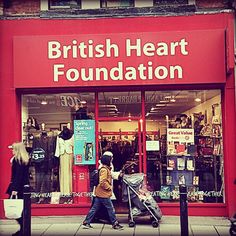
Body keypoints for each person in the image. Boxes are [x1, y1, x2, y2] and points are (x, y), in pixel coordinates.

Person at [82, 154, 123, 230]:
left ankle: (86, 222)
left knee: (94, 208)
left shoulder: (105, 169)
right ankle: (115, 223)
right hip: (103, 193)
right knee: (110, 208)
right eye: (110, 160)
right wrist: (109, 188)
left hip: (99, 192)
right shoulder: (104, 170)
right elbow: (103, 181)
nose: (111, 161)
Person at [6, 142, 30, 236]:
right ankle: (23, 229)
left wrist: (14, 189)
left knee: (15, 209)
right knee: (21, 209)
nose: (12, 150)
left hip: (18, 188)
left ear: (17, 150)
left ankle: (23, 229)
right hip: (23, 187)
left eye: (13, 149)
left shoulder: (18, 160)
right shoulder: (24, 159)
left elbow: (17, 176)